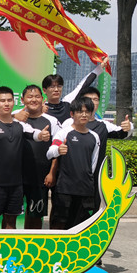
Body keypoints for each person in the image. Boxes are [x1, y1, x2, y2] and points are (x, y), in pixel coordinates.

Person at [0, 86, 50, 229]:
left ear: (14, 102)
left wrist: (41, 135)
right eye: (2, 101)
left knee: (11, 221)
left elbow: (33, 133)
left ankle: (8, 245)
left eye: (9, 100)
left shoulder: (20, 125)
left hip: (16, 184)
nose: (6, 104)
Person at [62, 86, 133, 211]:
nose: (92, 102)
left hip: (92, 180)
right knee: (66, 214)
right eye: (89, 99)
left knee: (89, 213)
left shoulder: (103, 125)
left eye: (96, 99)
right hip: (69, 178)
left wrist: (129, 126)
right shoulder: (68, 123)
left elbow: (122, 133)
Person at [46, 98, 100, 230]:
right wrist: (58, 150)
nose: (84, 115)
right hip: (65, 188)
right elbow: (49, 153)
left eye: (87, 112)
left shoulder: (94, 136)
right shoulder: (63, 133)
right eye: (80, 112)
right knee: (59, 223)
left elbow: (93, 164)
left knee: (81, 226)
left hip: (85, 189)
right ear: (72, 114)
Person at [19, 85, 62, 229]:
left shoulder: (52, 121)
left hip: (40, 177)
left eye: (37, 97)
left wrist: (52, 173)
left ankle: (31, 243)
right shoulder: (15, 117)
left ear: (42, 99)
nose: (34, 100)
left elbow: (57, 149)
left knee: (35, 216)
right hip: (16, 176)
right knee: (10, 214)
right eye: (30, 97)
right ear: (22, 100)